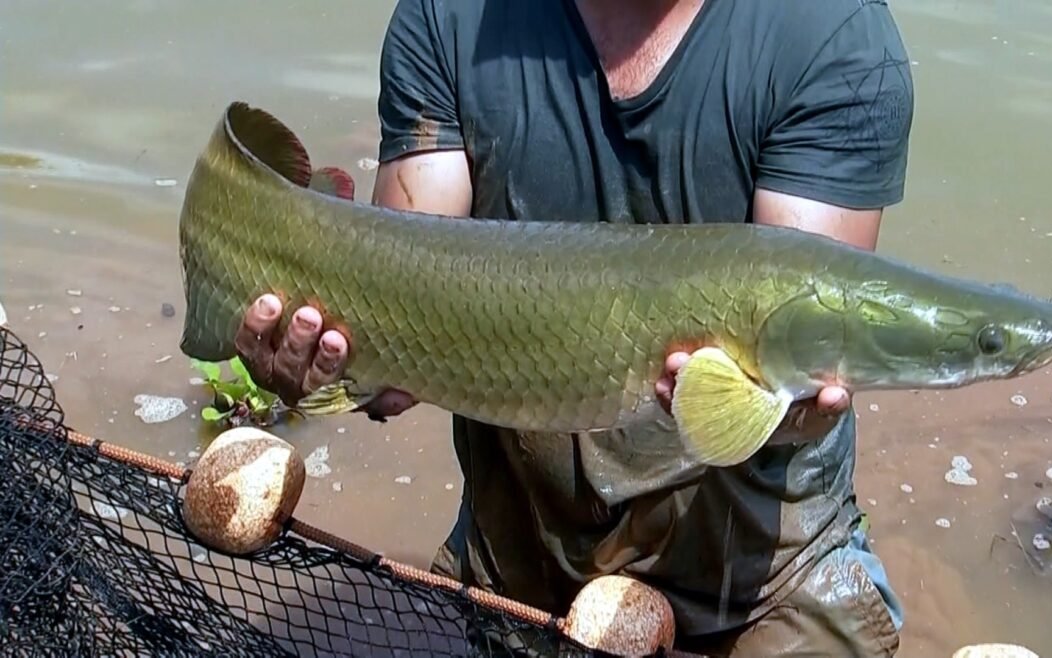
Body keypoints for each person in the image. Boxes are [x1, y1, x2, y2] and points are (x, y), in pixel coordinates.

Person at [234, 0, 915, 655]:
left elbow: (809, 325)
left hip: (764, 583)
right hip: (522, 565)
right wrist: (349, 362)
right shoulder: (450, 15)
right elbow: (403, 302)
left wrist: (786, 407)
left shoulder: (833, 33)